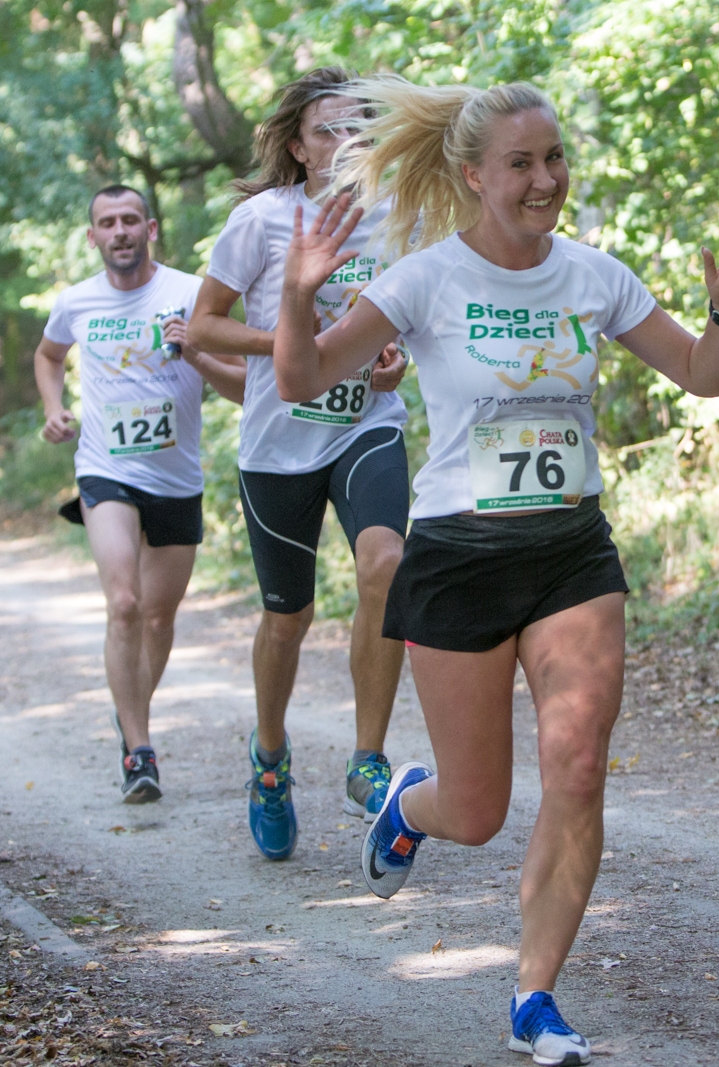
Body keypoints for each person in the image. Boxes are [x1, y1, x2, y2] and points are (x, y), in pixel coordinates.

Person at [271, 78, 719, 1065]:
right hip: (458, 557)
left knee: (579, 766)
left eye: (553, 158)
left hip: (569, 553)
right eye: (521, 163)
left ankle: (534, 997)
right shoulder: (424, 280)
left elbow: (701, 375)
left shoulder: (594, 275)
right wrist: (299, 296)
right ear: (474, 175)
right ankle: (406, 805)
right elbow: (301, 377)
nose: (545, 179)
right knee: (475, 811)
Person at [187, 68, 410, 861]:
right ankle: (271, 760)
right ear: (297, 147)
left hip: (364, 427)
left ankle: (367, 758)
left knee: (387, 563)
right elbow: (202, 326)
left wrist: (389, 360)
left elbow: (408, 322)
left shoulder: (399, 215)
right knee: (289, 618)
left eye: (358, 129)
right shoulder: (260, 220)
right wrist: (297, 346)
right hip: (278, 446)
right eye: (327, 130)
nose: (344, 142)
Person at [34, 184, 247, 803]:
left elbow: (244, 384)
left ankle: (130, 709)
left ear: (150, 229)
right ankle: (139, 749)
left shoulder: (191, 293)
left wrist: (197, 353)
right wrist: (53, 408)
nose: (120, 231)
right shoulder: (75, 302)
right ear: (92, 237)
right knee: (124, 603)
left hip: (176, 479)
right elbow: (48, 356)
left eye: (130, 220)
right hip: (105, 469)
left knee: (157, 616)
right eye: (107, 223)